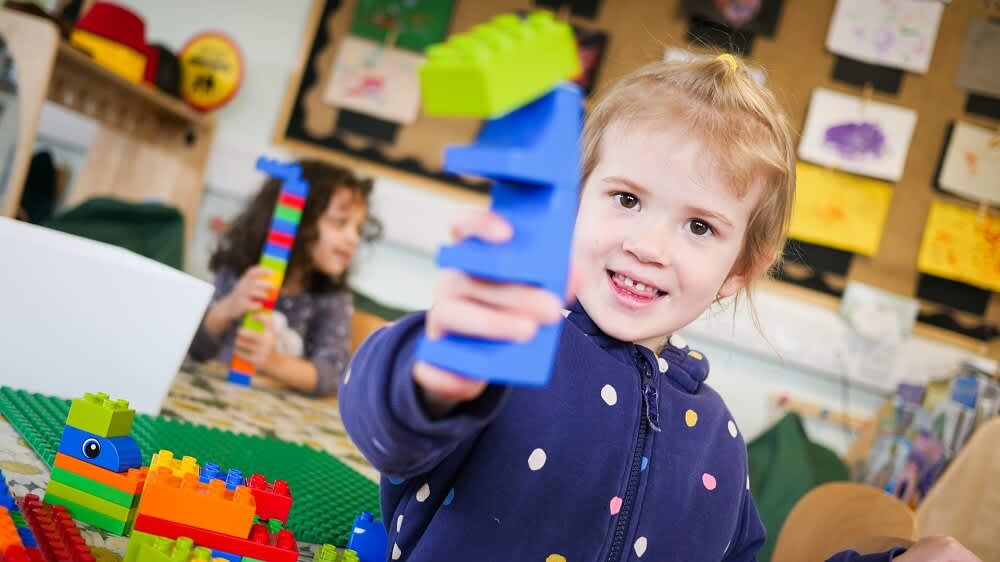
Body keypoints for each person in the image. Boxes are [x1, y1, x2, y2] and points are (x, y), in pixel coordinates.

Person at [339, 55, 980, 561]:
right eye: (626, 199)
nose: (647, 246)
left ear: (740, 270)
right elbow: (380, 421)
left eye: (700, 227)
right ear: (573, 201)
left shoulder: (720, 439)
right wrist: (432, 373)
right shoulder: (509, 346)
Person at [188, 159, 380, 396]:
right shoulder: (238, 274)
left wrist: (272, 361)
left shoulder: (331, 298)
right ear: (300, 222)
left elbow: (332, 375)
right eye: (340, 223)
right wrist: (226, 309)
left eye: (358, 229)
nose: (353, 238)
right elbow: (193, 349)